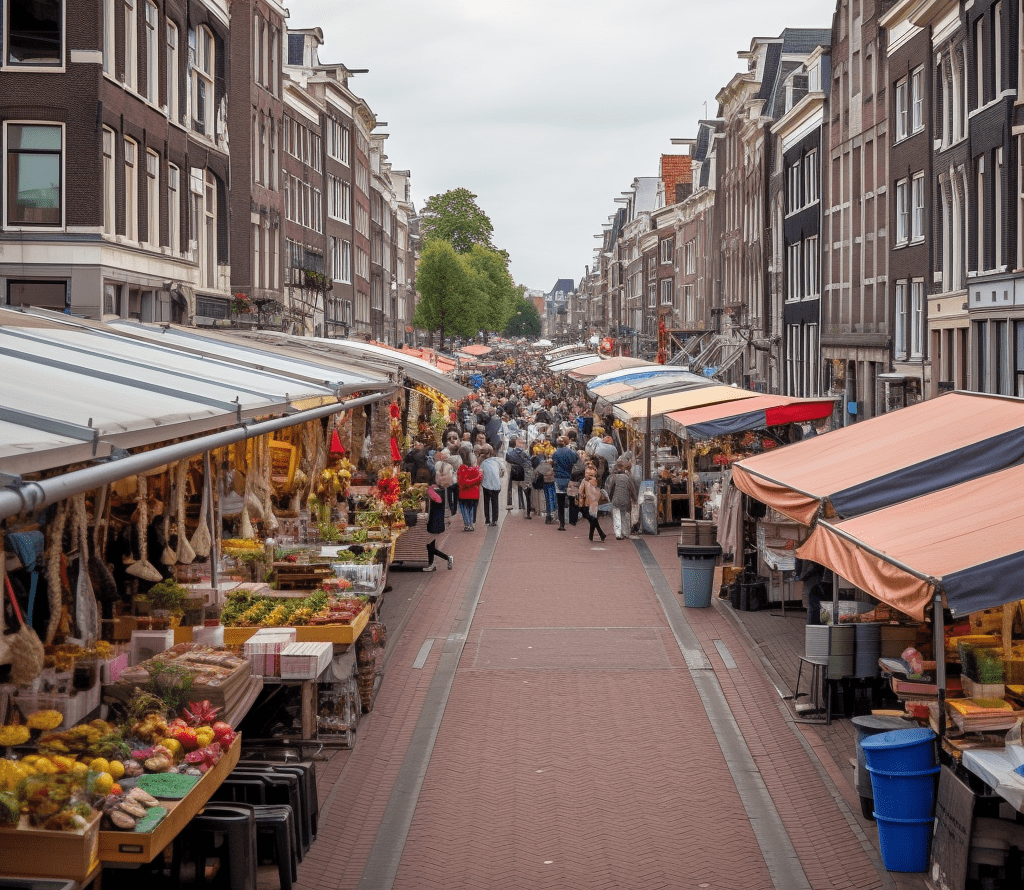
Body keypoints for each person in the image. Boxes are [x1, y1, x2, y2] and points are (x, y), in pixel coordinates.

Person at [422, 484, 454, 572]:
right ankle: (432, 564)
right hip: (437, 523)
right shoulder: (441, 491)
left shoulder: (435, 496)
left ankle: (447, 557)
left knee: (430, 546)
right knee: (431, 545)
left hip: (434, 524)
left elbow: (432, 510)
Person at [606, 460, 639, 540]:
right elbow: (633, 489)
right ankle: (626, 532)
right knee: (625, 516)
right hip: (626, 500)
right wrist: (635, 499)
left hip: (616, 499)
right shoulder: (629, 478)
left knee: (617, 515)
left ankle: (618, 533)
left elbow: (611, 488)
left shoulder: (614, 477)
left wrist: (610, 498)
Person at [551, 436, 577, 531]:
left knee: (560, 501)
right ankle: (572, 520)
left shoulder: (555, 453)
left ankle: (562, 523)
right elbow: (576, 460)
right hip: (569, 478)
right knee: (571, 499)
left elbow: (553, 464)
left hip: (558, 479)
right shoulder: (571, 452)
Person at [456, 445, 482, 531]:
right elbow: (479, 479)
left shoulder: (461, 469)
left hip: (463, 493)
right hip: (474, 493)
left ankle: (467, 524)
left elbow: (462, 482)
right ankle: (471, 523)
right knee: (471, 508)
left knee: (464, 508)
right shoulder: (476, 469)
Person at [578, 465, 607, 542]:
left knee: (592, 518)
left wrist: (581, 501)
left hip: (587, 502)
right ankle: (594, 535)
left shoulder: (585, 481)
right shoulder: (597, 480)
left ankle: (599, 534)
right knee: (593, 518)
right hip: (595, 502)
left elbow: (580, 492)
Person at [479, 444, 504, 526]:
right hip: (496, 484)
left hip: (486, 484)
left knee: (486, 502)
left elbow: (480, 474)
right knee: (495, 502)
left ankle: (487, 519)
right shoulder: (497, 461)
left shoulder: (482, 463)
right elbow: (502, 472)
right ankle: (495, 519)